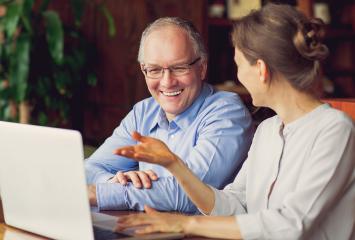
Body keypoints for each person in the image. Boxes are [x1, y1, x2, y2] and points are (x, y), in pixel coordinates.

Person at [114, 4, 355, 239]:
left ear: (260, 69)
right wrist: (174, 165)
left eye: (239, 66)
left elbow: (290, 225)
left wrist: (184, 223)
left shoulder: (335, 130)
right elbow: (238, 203)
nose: (237, 76)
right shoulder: (268, 131)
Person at [85, 17, 254, 213]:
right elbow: (90, 168)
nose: (167, 82)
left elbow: (190, 192)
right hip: (148, 229)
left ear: (202, 67)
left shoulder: (227, 112)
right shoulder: (143, 112)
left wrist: (102, 193)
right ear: (143, 70)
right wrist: (113, 181)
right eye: (154, 70)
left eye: (179, 68)